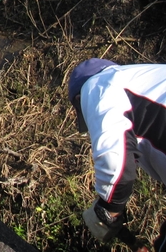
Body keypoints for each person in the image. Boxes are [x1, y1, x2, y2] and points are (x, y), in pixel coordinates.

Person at [68, 58, 166, 250]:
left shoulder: (99, 84)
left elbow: (114, 159)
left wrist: (110, 209)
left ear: (79, 99)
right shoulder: (149, 81)